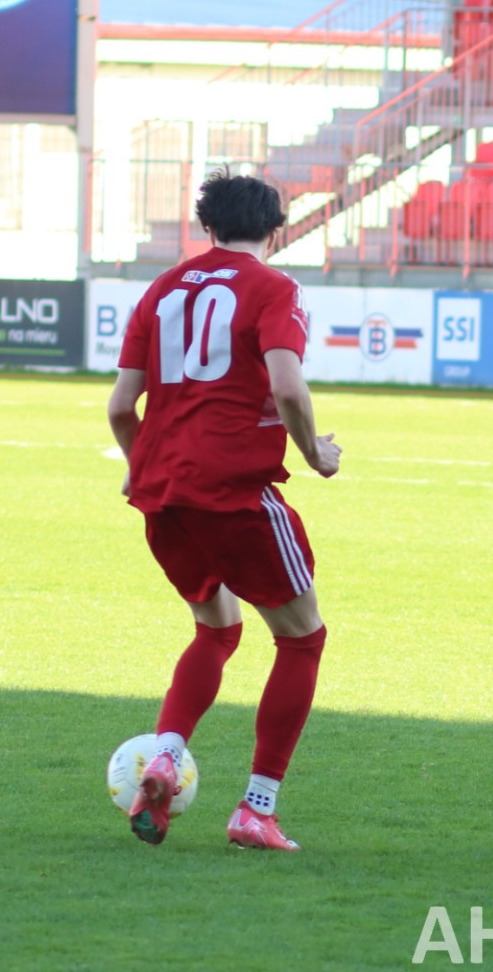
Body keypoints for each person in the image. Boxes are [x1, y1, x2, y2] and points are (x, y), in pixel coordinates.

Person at [107, 171, 343, 853]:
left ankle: (165, 754)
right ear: (276, 231)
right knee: (301, 638)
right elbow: (287, 387)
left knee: (216, 629)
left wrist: (140, 464)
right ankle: (255, 808)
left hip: (164, 496)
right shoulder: (274, 288)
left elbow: (120, 407)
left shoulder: (161, 290)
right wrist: (316, 452)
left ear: (206, 227)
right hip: (234, 490)